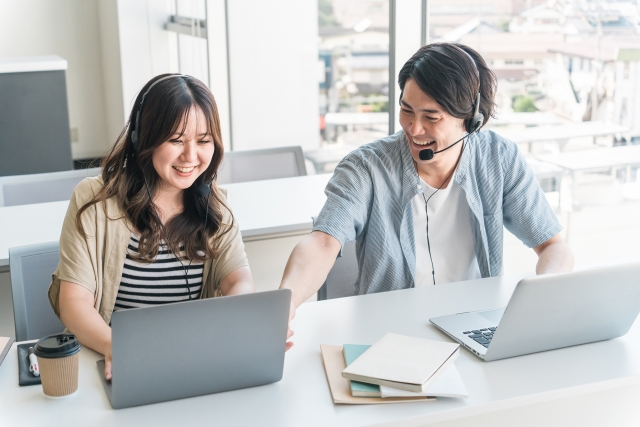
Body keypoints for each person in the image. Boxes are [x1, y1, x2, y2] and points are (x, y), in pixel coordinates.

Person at [279, 42, 574, 348]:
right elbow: (323, 240)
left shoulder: (499, 159)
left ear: (470, 119)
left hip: (473, 329)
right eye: (406, 110)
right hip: (389, 336)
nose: (414, 128)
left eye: (431, 117)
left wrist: (542, 297)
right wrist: (286, 303)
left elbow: (554, 247)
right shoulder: (366, 167)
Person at [48, 74, 255, 379]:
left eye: (203, 141)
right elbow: (74, 302)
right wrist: (117, 347)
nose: (191, 156)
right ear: (142, 137)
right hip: (116, 361)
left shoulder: (215, 206)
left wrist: (243, 321)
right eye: (176, 140)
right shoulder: (94, 200)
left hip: (191, 363)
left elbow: (239, 281)